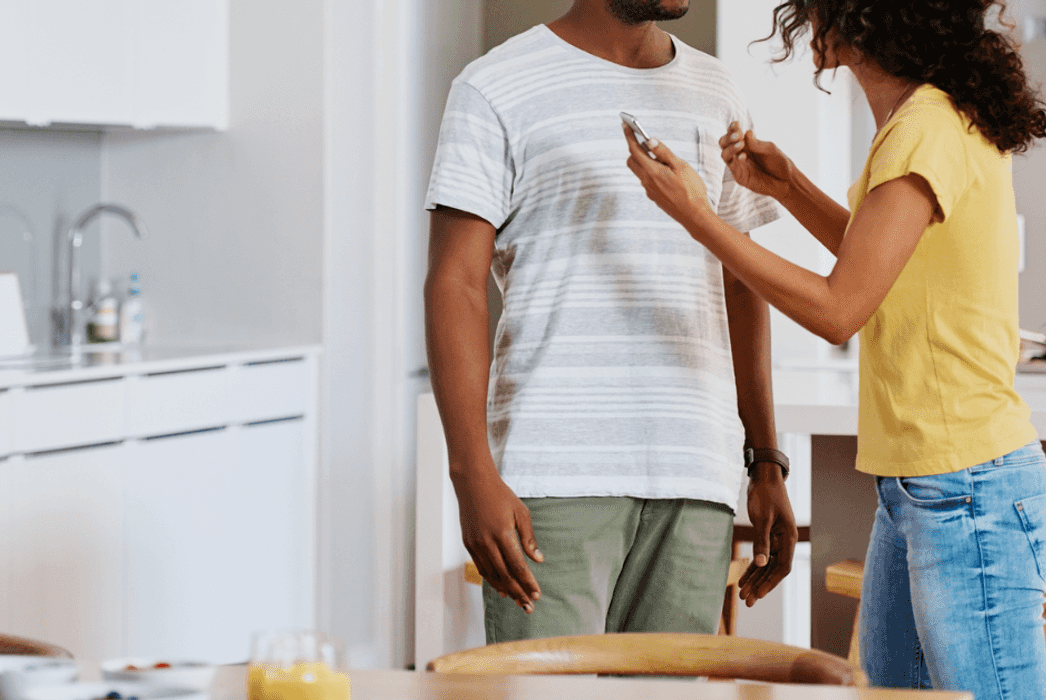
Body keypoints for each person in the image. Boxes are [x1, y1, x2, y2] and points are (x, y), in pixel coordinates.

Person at [621, 0, 1046, 696]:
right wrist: (788, 187)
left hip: (965, 488)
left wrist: (698, 216)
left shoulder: (925, 128)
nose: (805, 17)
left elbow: (839, 308)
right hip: (923, 485)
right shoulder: (926, 118)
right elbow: (883, 259)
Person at [424, 0, 798, 647]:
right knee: (540, 692)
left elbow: (740, 282)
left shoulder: (716, 90)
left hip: (694, 470)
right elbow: (455, 285)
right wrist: (470, 473)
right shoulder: (494, 85)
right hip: (553, 472)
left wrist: (765, 461)